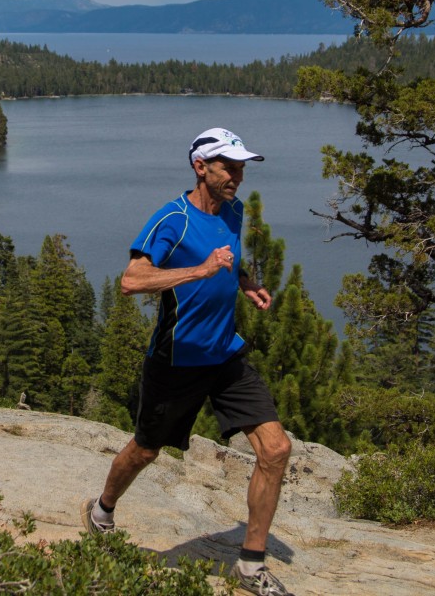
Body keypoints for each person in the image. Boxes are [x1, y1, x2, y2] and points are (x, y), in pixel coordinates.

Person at [81, 127, 294, 596]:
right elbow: (132, 281)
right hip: (176, 361)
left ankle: (251, 565)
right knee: (146, 450)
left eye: (241, 168)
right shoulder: (171, 220)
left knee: (276, 449)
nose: (238, 176)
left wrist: (244, 283)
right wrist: (199, 271)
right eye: (229, 168)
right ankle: (101, 510)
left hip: (224, 354)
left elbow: (229, 259)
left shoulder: (234, 211)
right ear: (201, 167)